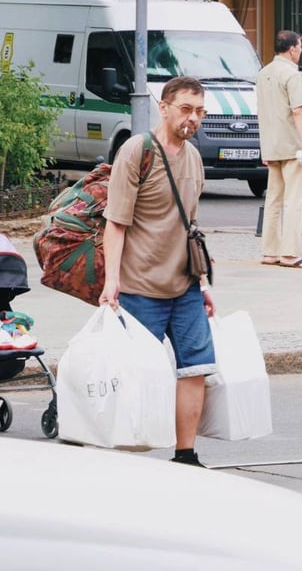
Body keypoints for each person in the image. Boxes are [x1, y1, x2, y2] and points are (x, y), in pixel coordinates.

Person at [98, 76, 215, 467]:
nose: (193, 118)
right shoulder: (137, 151)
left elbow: (190, 228)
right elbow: (116, 223)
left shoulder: (194, 158)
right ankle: (133, 456)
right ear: (163, 107)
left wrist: (202, 283)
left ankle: (186, 454)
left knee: (196, 368)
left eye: (199, 111)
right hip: (140, 287)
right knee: (140, 377)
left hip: (184, 286)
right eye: (185, 109)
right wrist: (111, 282)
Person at [256, 29, 302, 269]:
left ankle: (270, 252)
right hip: (292, 147)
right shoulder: (292, 75)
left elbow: (262, 112)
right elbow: (298, 111)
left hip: (271, 144)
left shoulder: (263, 74)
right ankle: (290, 254)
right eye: (300, 47)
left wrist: (264, 149)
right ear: (292, 49)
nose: (301, 50)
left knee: (273, 200)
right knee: (295, 200)